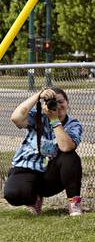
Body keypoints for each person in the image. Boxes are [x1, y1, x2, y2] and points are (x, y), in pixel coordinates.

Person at [4, 87, 84, 216]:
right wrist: (38, 95)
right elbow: (16, 118)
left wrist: (55, 121)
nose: (57, 106)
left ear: (67, 102)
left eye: (61, 101)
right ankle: (33, 199)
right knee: (12, 194)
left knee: (70, 157)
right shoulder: (37, 117)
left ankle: (74, 203)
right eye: (53, 102)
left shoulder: (73, 124)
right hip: (27, 167)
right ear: (45, 105)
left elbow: (66, 147)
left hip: (51, 175)